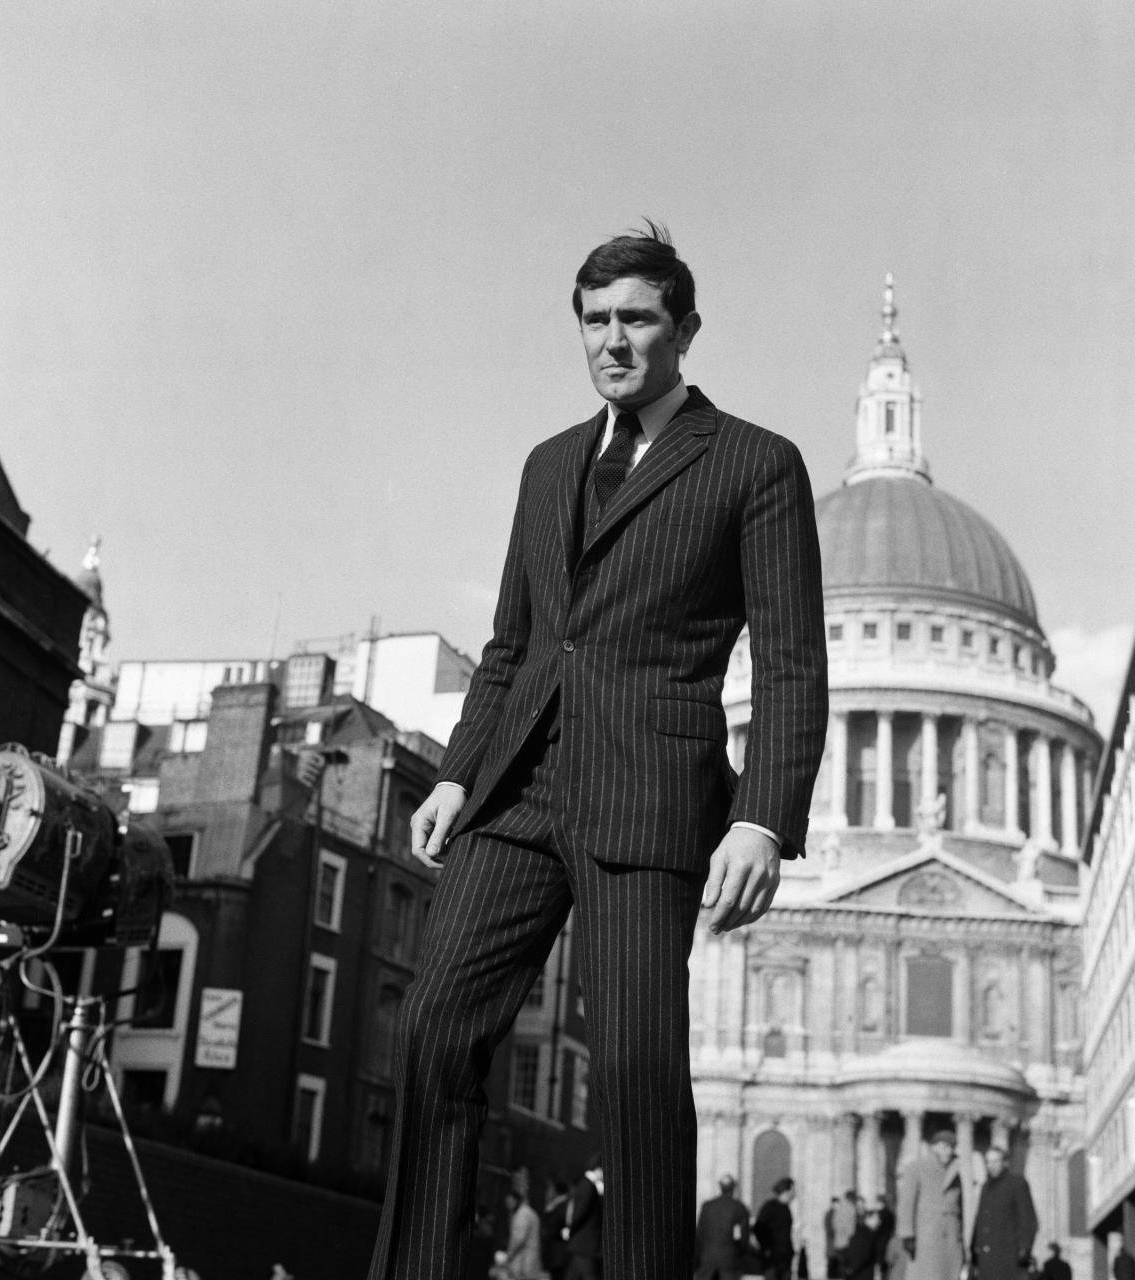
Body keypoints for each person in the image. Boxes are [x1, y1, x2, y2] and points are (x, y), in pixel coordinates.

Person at [367, 222, 828, 1280]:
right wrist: (453, 769)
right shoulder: (546, 464)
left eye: (634, 318)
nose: (611, 340)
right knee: (433, 1027)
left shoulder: (756, 463)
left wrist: (760, 814)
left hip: (646, 794)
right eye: (593, 321)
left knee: (632, 1070)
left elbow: (792, 658)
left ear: (684, 329)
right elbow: (513, 641)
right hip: (516, 788)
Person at [897, 1127, 965, 1280]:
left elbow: (962, 1206)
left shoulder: (957, 1171)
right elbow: (906, 1203)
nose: (948, 1151)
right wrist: (907, 1234)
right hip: (925, 1235)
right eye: (944, 1146)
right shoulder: (916, 1167)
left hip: (951, 1236)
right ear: (933, 1147)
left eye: (951, 1147)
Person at [971, 1147, 1038, 1280]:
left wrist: (1024, 1249)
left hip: (1008, 1257)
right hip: (986, 1260)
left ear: (1005, 1162)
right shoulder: (986, 1187)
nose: (991, 1166)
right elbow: (980, 1220)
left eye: (995, 1161)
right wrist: (974, 1247)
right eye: (988, 1162)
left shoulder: (1017, 1183)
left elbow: (1028, 1219)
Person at [695, 1174, 752, 1280]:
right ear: (734, 1187)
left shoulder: (707, 1206)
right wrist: (740, 1253)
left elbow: (699, 1233)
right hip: (729, 1258)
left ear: (720, 1186)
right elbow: (744, 1237)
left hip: (707, 1257)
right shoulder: (739, 1207)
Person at [564, 1153, 605, 1279]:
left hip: (581, 1243)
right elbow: (580, 1212)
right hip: (585, 1243)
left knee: (574, 1275)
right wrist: (570, 1229)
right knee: (590, 1276)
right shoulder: (588, 1186)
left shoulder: (586, 1185)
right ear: (599, 1169)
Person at [756, 1178, 798, 1280]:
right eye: (793, 1190)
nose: (795, 1193)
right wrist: (766, 1248)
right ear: (786, 1191)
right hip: (773, 1259)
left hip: (785, 1258)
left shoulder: (786, 1208)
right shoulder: (770, 1207)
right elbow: (758, 1228)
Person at [505, 1188, 547, 1280]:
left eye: (509, 1202)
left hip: (524, 1260)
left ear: (515, 1200)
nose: (508, 1205)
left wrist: (509, 1255)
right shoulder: (527, 1212)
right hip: (527, 1258)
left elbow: (519, 1239)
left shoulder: (523, 1215)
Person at [541, 1178, 572, 1280]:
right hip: (555, 1253)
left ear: (556, 1191)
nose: (548, 1192)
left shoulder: (563, 1205)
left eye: (550, 1189)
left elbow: (554, 1228)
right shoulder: (556, 1205)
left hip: (559, 1253)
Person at [842, 1208, 885, 1280]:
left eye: (861, 1216)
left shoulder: (869, 1233)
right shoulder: (852, 1233)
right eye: (858, 1216)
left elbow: (873, 1253)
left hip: (860, 1272)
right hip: (858, 1272)